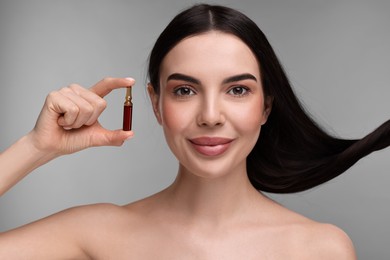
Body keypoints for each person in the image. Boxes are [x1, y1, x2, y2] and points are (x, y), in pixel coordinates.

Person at [0, 4, 388, 259]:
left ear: (266, 106)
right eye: (185, 90)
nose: (210, 115)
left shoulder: (319, 249)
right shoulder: (97, 233)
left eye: (238, 90)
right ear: (155, 104)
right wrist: (36, 147)